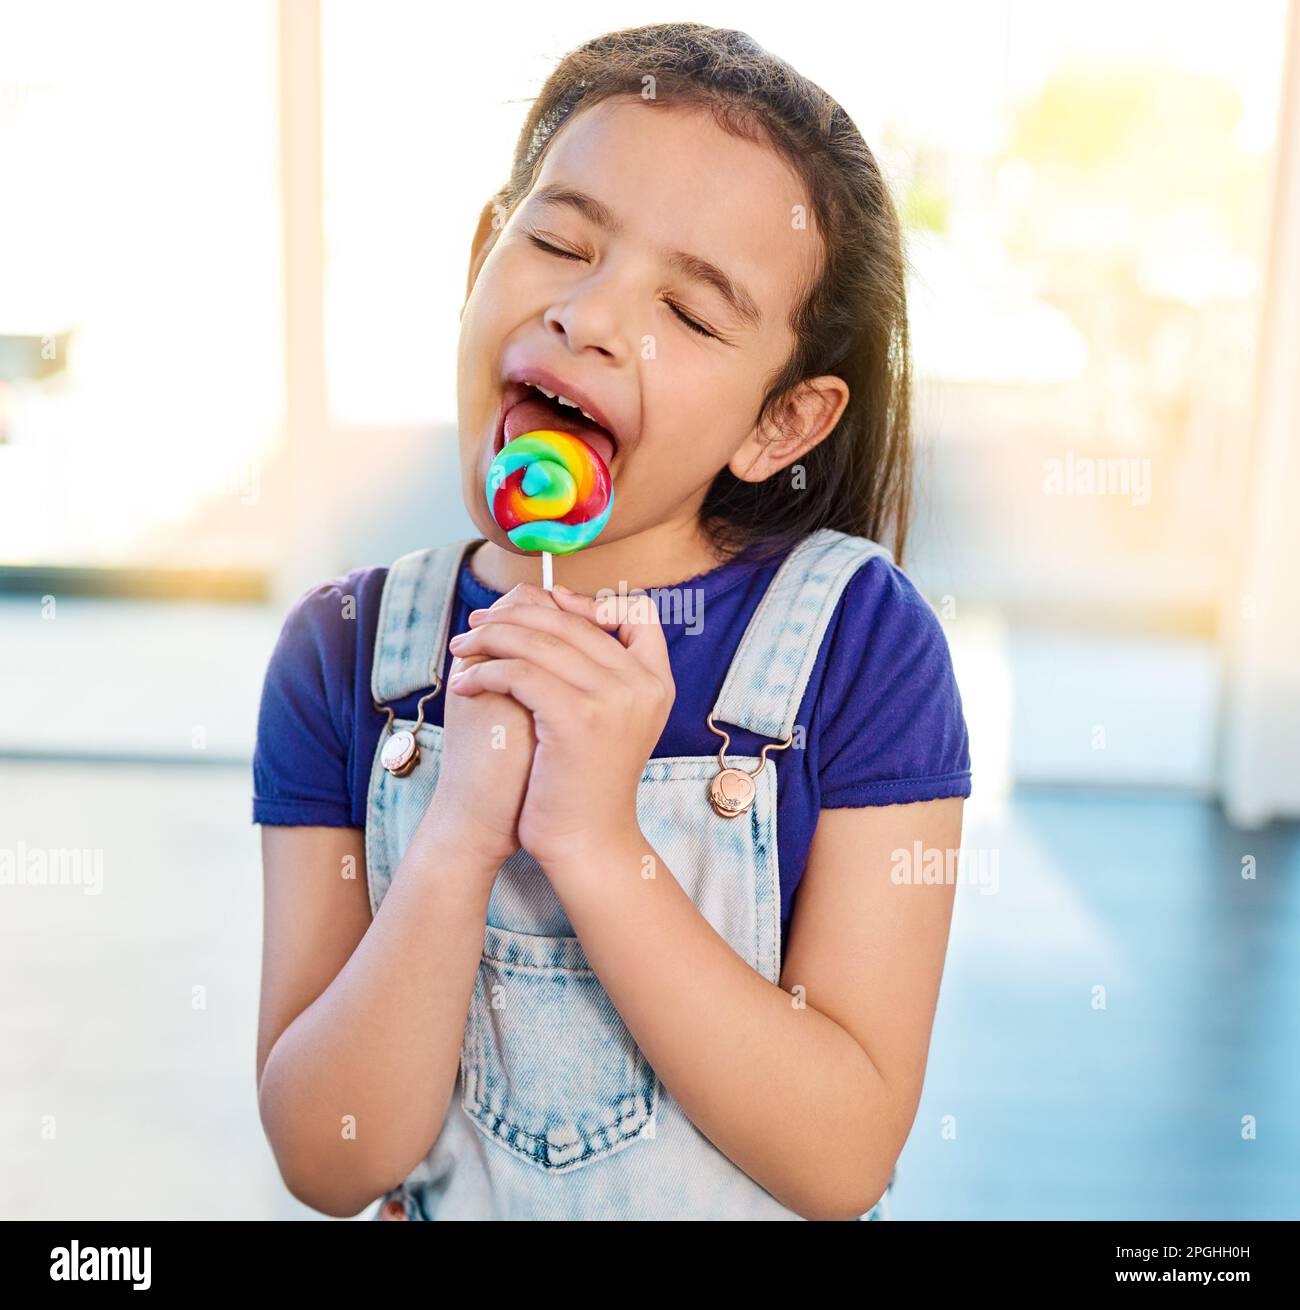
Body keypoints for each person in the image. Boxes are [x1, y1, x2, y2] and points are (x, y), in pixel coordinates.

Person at [253, 21, 971, 1221]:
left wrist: (594, 840)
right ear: (486, 248)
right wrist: (457, 837)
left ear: (780, 422)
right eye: (556, 242)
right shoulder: (340, 649)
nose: (589, 316)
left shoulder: (860, 642)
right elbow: (332, 1159)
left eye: (690, 315)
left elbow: (841, 1159)